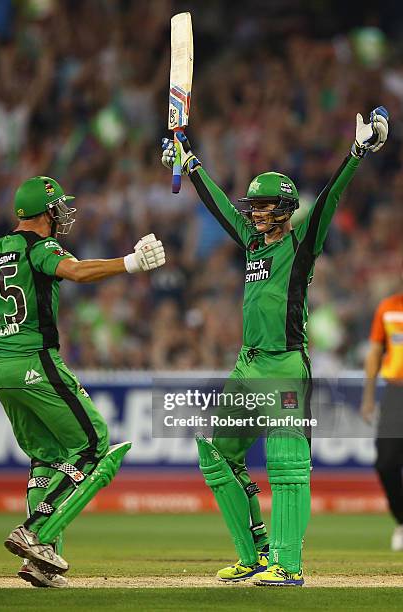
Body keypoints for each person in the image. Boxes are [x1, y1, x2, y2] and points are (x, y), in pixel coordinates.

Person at [162, 107, 389, 586]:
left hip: (285, 365)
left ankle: (288, 566)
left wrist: (357, 152)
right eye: (254, 208)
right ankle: (256, 554)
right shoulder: (251, 242)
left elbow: (329, 199)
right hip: (248, 365)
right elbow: (222, 206)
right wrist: (191, 161)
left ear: (284, 210)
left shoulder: (301, 244)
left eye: (263, 207)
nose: (254, 214)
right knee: (215, 451)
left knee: (287, 469)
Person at [0, 176, 166, 587]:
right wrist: (131, 262)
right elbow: (74, 272)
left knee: (47, 458)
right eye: (58, 207)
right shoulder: (39, 247)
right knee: (93, 444)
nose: (63, 214)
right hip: (34, 361)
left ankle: (39, 562)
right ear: (45, 213)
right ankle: (35, 531)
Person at [361, 289, 403, 551]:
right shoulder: (388, 307)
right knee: (386, 462)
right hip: (395, 394)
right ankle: (402, 521)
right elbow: (375, 352)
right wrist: (368, 396)